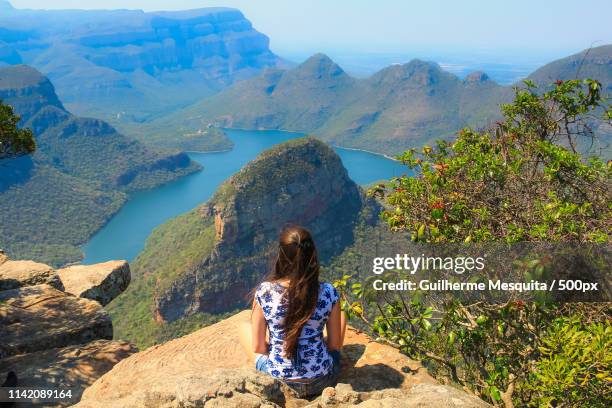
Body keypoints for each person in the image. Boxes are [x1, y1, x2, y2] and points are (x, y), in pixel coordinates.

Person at [238, 225, 347, 398]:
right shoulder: (328, 292)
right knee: (340, 315)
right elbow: (334, 346)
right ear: (312, 255)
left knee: (242, 326)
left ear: (281, 255)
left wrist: (281, 348)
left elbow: (258, 347)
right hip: (322, 380)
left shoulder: (265, 292)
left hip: (279, 381)